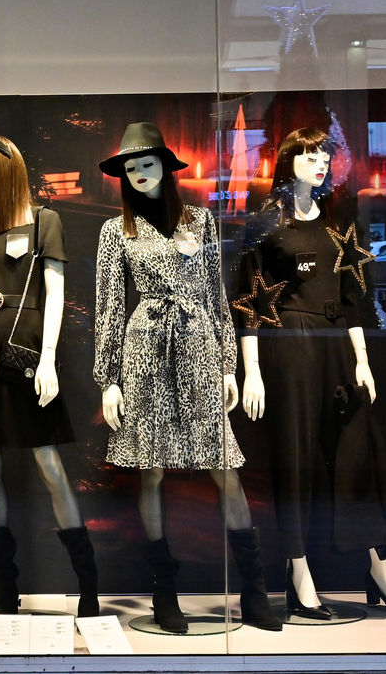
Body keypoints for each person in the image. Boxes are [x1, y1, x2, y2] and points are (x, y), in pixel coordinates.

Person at [94, 122, 282, 633]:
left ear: (165, 165)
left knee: (224, 466)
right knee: (150, 468)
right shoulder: (116, 231)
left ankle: (254, 590)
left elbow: (216, 295)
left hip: (198, 342)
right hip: (145, 348)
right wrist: (109, 378)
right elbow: (109, 305)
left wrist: (226, 365)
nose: (138, 172)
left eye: (146, 162)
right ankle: (164, 591)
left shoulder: (199, 220)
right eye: (130, 167)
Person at [232, 127, 386, 619]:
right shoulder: (265, 224)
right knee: (295, 457)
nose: (320, 163)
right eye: (310, 155)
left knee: (357, 453)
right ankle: (298, 572)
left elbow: (354, 299)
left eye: (325, 156)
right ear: (288, 160)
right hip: (290, 346)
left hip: (337, 345)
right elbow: (247, 301)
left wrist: (362, 359)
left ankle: (378, 566)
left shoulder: (339, 224)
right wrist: (251, 369)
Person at [0, 134, 99, 618]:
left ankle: (88, 586)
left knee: (49, 464)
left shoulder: (43, 220)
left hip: (25, 347)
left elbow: (56, 294)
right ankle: (5, 588)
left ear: (9, 168)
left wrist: (48, 357)